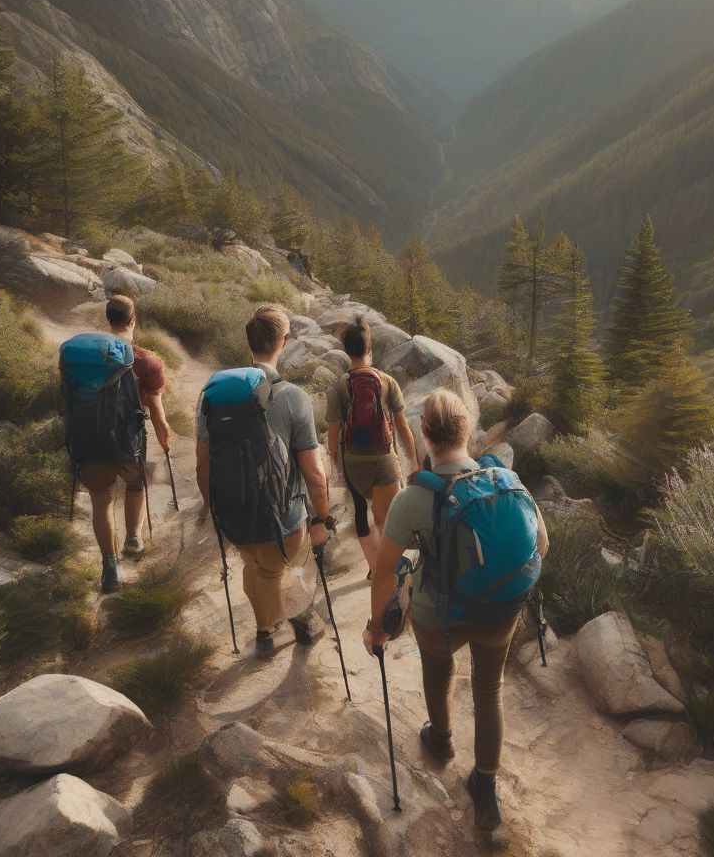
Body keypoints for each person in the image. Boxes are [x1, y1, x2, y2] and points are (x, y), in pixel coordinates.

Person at [363, 389, 549, 831]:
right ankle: (485, 786)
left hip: (439, 615)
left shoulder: (413, 499)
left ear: (425, 435)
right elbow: (542, 544)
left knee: (439, 671)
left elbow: (385, 570)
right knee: (489, 690)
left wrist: (377, 628)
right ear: (467, 431)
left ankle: (442, 741)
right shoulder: (507, 482)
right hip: (501, 612)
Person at [196, 306, 333, 659]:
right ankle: (285, 629)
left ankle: (265, 628)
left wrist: (216, 509)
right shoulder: (293, 397)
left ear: (249, 341)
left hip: (234, 511)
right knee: (279, 570)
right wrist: (322, 517)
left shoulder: (215, 393)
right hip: (282, 516)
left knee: (252, 564)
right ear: (283, 342)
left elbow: (203, 461)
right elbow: (315, 474)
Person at [72, 294, 172, 593]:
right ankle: (133, 538)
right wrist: (165, 442)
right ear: (133, 319)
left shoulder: (82, 357)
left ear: (108, 318)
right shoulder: (147, 362)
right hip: (130, 444)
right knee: (136, 484)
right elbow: (157, 412)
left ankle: (110, 568)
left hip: (91, 440)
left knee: (101, 503)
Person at [326, 316, 418, 574]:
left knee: (359, 510)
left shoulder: (339, 386)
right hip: (384, 459)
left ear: (347, 350)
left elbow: (333, 432)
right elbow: (402, 427)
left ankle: (373, 567)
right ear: (370, 348)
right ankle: (390, 570)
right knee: (385, 518)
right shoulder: (388, 382)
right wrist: (413, 460)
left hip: (353, 461)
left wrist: (335, 462)